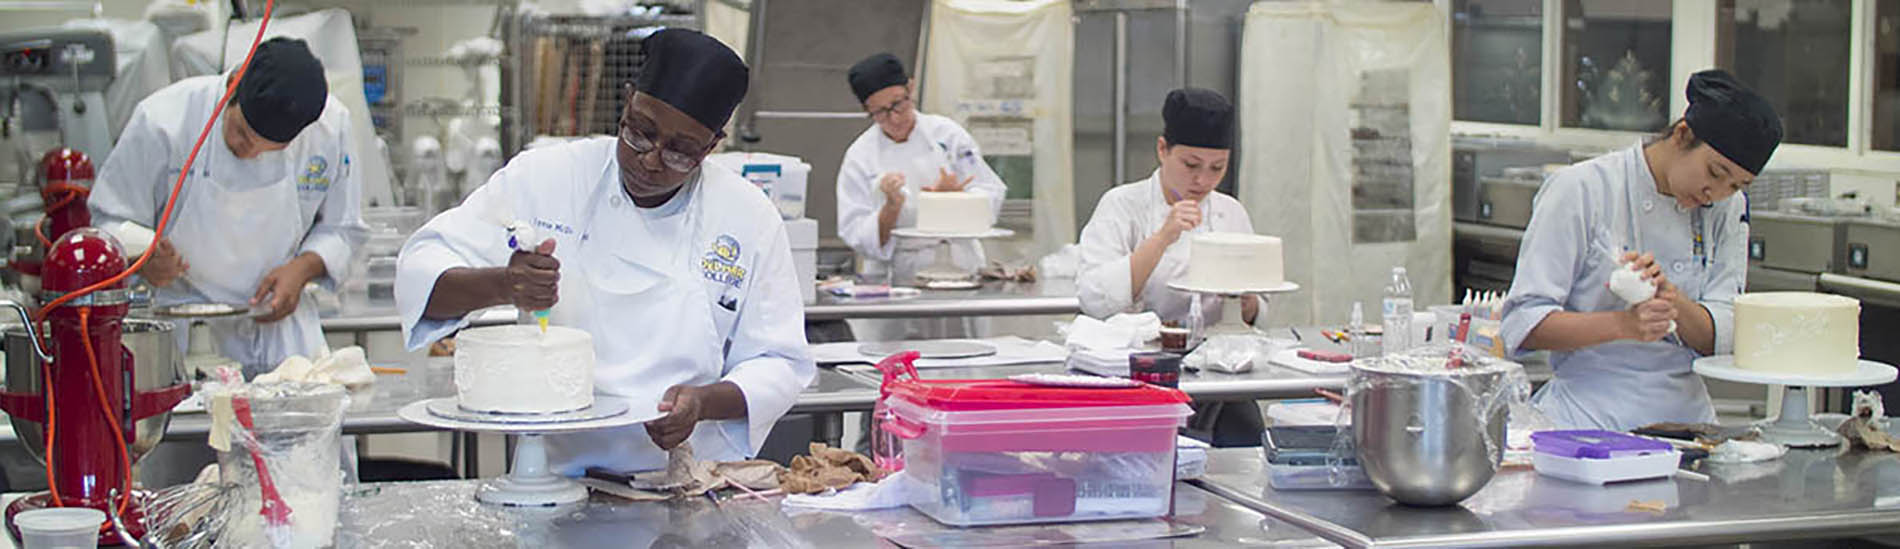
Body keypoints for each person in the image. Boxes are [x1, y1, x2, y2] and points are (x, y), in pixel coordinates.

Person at [396, 29, 814, 473]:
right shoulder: (549, 177)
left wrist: (704, 402)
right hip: (555, 475)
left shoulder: (747, 215)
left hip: (692, 475)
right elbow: (422, 271)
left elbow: (780, 360)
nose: (651, 161)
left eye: (680, 152)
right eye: (640, 133)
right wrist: (502, 284)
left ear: (712, 146)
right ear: (627, 102)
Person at [1502, 70, 1779, 431]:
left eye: (1736, 184)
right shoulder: (1583, 189)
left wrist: (1671, 300)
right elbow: (1523, 324)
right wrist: (1623, 324)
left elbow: (1724, 336)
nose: (1717, 193)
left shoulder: (1728, 209)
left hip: (1689, 426)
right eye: (1714, 172)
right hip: (1585, 418)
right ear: (1682, 135)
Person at [92, 37, 367, 373]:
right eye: (241, 134)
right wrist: (143, 259)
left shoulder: (331, 128)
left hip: (281, 339)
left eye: (269, 150)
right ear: (233, 84)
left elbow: (344, 228)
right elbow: (107, 222)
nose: (248, 152)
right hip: (179, 332)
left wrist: (302, 269)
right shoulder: (163, 120)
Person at [1075, 87, 1262, 446]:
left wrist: (1245, 299)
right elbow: (1096, 300)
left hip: (1218, 377)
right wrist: (1162, 237)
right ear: (1162, 150)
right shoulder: (1121, 206)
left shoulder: (1230, 212)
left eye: (1216, 168)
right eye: (1191, 166)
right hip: (1137, 377)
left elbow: (1252, 313)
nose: (1203, 181)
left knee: (1246, 456)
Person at [835, 52, 1007, 341]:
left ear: (911, 89)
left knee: (961, 358)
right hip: (897, 275)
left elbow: (990, 191)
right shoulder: (861, 156)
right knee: (897, 359)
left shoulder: (947, 136)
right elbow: (855, 231)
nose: (893, 118)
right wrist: (891, 206)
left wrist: (955, 198)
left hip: (958, 267)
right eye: (880, 113)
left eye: (898, 105)